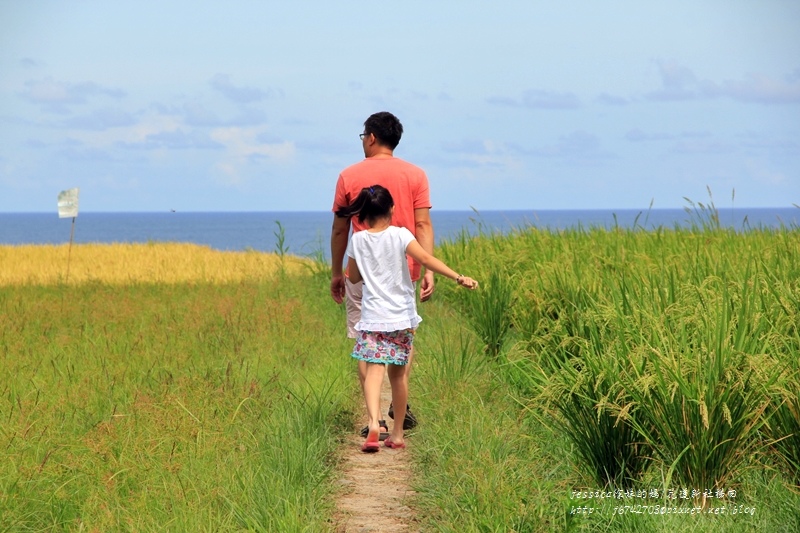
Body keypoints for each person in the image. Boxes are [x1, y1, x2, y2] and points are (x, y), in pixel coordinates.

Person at [336, 185, 478, 451]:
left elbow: (353, 276)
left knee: (374, 370)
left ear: (363, 214)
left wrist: (357, 272)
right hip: (401, 316)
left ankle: (374, 423)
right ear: (392, 209)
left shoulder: (357, 240)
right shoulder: (401, 235)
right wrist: (458, 277)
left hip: (373, 316)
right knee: (398, 376)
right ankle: (398, 434)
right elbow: (425, 257)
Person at [330, 111, 433, 437]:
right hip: (406, 269)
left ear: (372, 137)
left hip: (362, 272)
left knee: (366, 342)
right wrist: (428, 268)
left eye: (363, 136)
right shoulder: (415, 174)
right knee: (403, 334)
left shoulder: (349, 175)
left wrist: (337, 273)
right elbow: (423, 225)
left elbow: (339, 229)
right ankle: (398, 402)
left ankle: (374, 419)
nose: (362, 141)